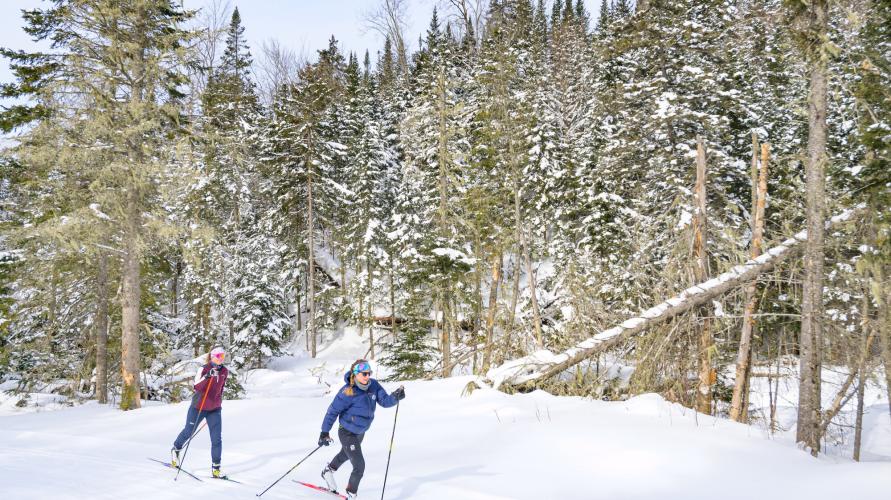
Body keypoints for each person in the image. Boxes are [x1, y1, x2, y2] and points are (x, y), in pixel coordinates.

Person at [318, 359, 405, 499]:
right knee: (359, 466)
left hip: (360, 432)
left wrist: (395, 397)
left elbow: (385, 401)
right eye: (364, 374)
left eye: (368, 373)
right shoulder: (347, 391)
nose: (367, 376)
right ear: (355, 374)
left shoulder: (373, 385)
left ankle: (328, 471)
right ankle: (352, 494)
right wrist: (324, 432)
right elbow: (332, 411)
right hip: (346, 432)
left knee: (345, 454)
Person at [170, 346, 229, 478]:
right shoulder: (204, 369)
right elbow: (196, 386)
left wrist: (218, 402)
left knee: (216, 439)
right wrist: (207, 377)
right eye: (219, 356)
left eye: (223, 356)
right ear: (212, 356)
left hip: (214, 409)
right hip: (198, 407)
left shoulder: (225, 371)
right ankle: (176, 448)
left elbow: (221, 388)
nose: (221, 359)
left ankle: (216, 468)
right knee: (188, 432)